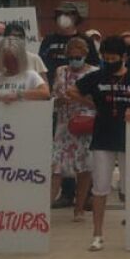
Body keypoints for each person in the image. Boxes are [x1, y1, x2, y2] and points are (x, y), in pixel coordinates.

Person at [72, 35, 130, 251]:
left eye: (114, 58)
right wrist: (90, 103)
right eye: (106, 58)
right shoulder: (97, 76)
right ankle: (97, 234)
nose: (110, 62)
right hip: (103, 138)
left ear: (124, 57)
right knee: (100, 187)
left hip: (128, 139)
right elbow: (72, 90)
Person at [50, 36, 95, 221]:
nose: (74, 60)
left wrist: (77, 98)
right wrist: (59, 100)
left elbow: (97, 102)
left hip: (84, 123)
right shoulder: (61, 71)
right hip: (63, 123)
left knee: (83, 168)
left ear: (85, 55)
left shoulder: (94, 73)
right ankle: (45, 208)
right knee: (56, 167)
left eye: (78, 57)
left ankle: (79, 208)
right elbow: (53, 96)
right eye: (71, 57)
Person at [0, 25, 49, 103]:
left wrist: (19, 95)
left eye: (13, 61)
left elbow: (45, 93)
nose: (10, 64)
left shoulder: (31, 75)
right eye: (7, 61)